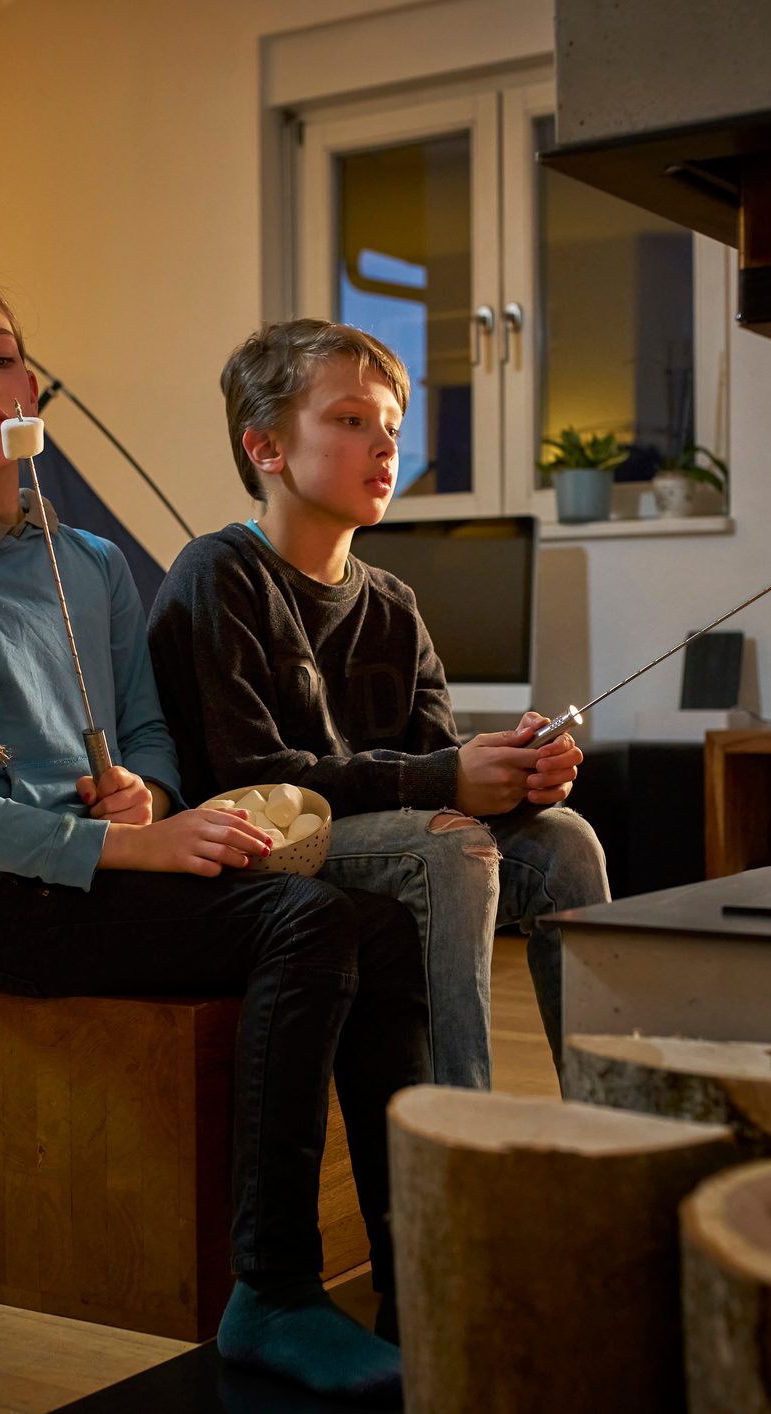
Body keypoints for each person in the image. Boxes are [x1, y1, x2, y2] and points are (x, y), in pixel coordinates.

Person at [0, 275, 426, 1401]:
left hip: (98, 873)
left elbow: (145, 731)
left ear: (32, 386)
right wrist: (127, 851)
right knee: (308, 921)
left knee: (380, 927)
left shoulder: (91, 564)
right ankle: (273, 1291)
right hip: (0, 905)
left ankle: (410, 1261)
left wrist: (139, 793)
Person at [146, 318, 611, 1092]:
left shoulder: (393, 602)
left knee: (566, 842)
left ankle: (613, 1119)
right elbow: (251, 776)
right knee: (449, 847)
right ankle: (459, 1135)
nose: (386, 446)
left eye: (392, 427)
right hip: (255, 852)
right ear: (265, 448)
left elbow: (432, 760)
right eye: (351, 421)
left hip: (379, 837)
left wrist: (513, 773)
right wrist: (445, 781)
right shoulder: (219, 573)